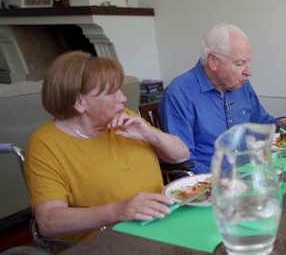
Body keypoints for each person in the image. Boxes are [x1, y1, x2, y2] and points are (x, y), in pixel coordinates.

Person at [24, 51, 190, 241]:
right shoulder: (46, 144)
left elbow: (181, 155)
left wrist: (151, 135)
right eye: (111, 92)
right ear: (79, 102)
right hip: (109, 242)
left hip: (163, 224)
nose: (122, 98)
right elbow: (48, 222)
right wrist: (118, 211)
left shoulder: (123, 117)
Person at [160, 23, 286, 174]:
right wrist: (228, 180)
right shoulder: (180, 93)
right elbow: (184, 163)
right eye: (240, 63)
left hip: (251, 170)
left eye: (248, 61)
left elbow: (261, 123)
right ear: (213, 61)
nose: (249, 71)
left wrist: (283, 122)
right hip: (212, 183)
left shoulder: (240, 84)